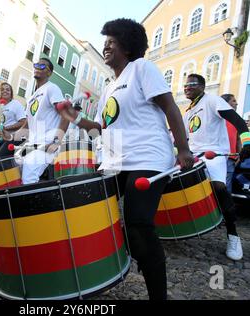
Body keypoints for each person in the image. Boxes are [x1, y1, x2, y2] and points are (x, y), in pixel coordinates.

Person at [57, 19, 194, 300]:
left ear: (128, 46)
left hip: (148, 157)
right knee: (92, 210)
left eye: (112, 41)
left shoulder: (141, 69)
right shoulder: (109, 87)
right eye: (105, 41)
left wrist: (183, 149)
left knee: (139, 225)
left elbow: (169, 107)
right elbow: (100, 129)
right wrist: (73, 116)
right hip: (117, 160)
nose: (106, 46)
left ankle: (158, 294)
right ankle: (135, 255)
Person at [184, 74, 250, 261]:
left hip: (214, 154)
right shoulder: (188, 112)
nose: (186, 87)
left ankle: (233, 236)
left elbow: (238, 121)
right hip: (194, 157)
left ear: (202, 86)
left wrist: (248, 143)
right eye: (185, 85)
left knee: (220, 188)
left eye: (191, 84)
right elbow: (180, 138)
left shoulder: (212, 100)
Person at [18, 58, 70, 184]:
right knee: (17, 172)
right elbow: (27, 125)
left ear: (49, 73)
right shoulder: (31, 98)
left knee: (29, 179)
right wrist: (11, 135)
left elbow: (66, 115)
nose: (38, 67)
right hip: (33, 144)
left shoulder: (52, 88)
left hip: (47, 143)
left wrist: (56, 142)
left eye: (42, 66)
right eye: (36, 65)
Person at [0, 82, 27, 158]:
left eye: (8, 90)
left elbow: (23, 122)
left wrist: (5, 128)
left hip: (13, 138)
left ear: (11, 94)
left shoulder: (15, 104)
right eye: (2, 89)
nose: (5, 91)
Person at [221, 94, 240, 193]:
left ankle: (225, 208)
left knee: (226, 187)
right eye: (233, 101)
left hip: (230, 159)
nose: (236, 103)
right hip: (216, 157)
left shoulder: (236, 119)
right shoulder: (218, 117)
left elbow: (238, 139)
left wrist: (239, 155)